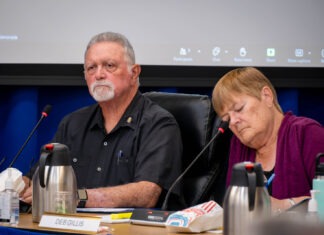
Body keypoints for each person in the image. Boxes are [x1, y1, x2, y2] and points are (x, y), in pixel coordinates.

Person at [21, 32, 184, 209]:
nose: (98, 75)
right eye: (91, 68)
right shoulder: (73, 123)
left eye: (109, 66)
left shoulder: (158, 124)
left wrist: (76, 197)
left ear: (134, 72)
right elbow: (38, 177)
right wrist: (17, 185)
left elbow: (147, 193)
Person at [212, 67, 324, 212]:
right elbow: (234, 208)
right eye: (226, 119)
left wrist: (283, 205)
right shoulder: (238, 145)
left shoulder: (308, 134)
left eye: (239, 109)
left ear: (267, 96)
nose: (233, 122)